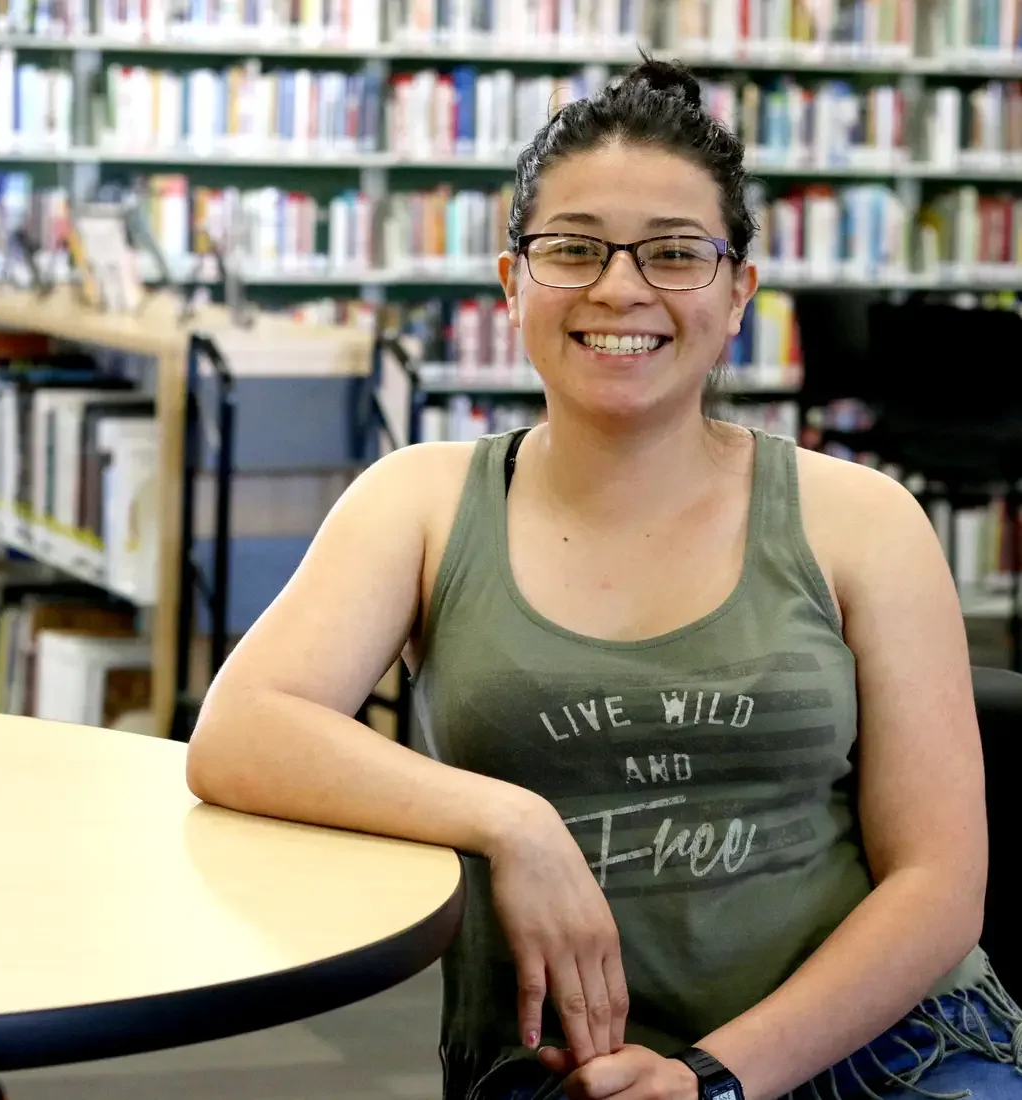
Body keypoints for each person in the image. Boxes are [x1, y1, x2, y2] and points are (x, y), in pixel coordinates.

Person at [185, 57, 1022, 1100]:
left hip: (886, 1050)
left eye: (673, 254)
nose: (618, 287)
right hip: (564, 1072)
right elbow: (239, 730)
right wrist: (510, 818)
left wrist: (713, 1079)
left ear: (736, 294)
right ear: (511, 284)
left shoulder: (862, 519)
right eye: (572, 248)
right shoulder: (419, 500)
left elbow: (939, 885)